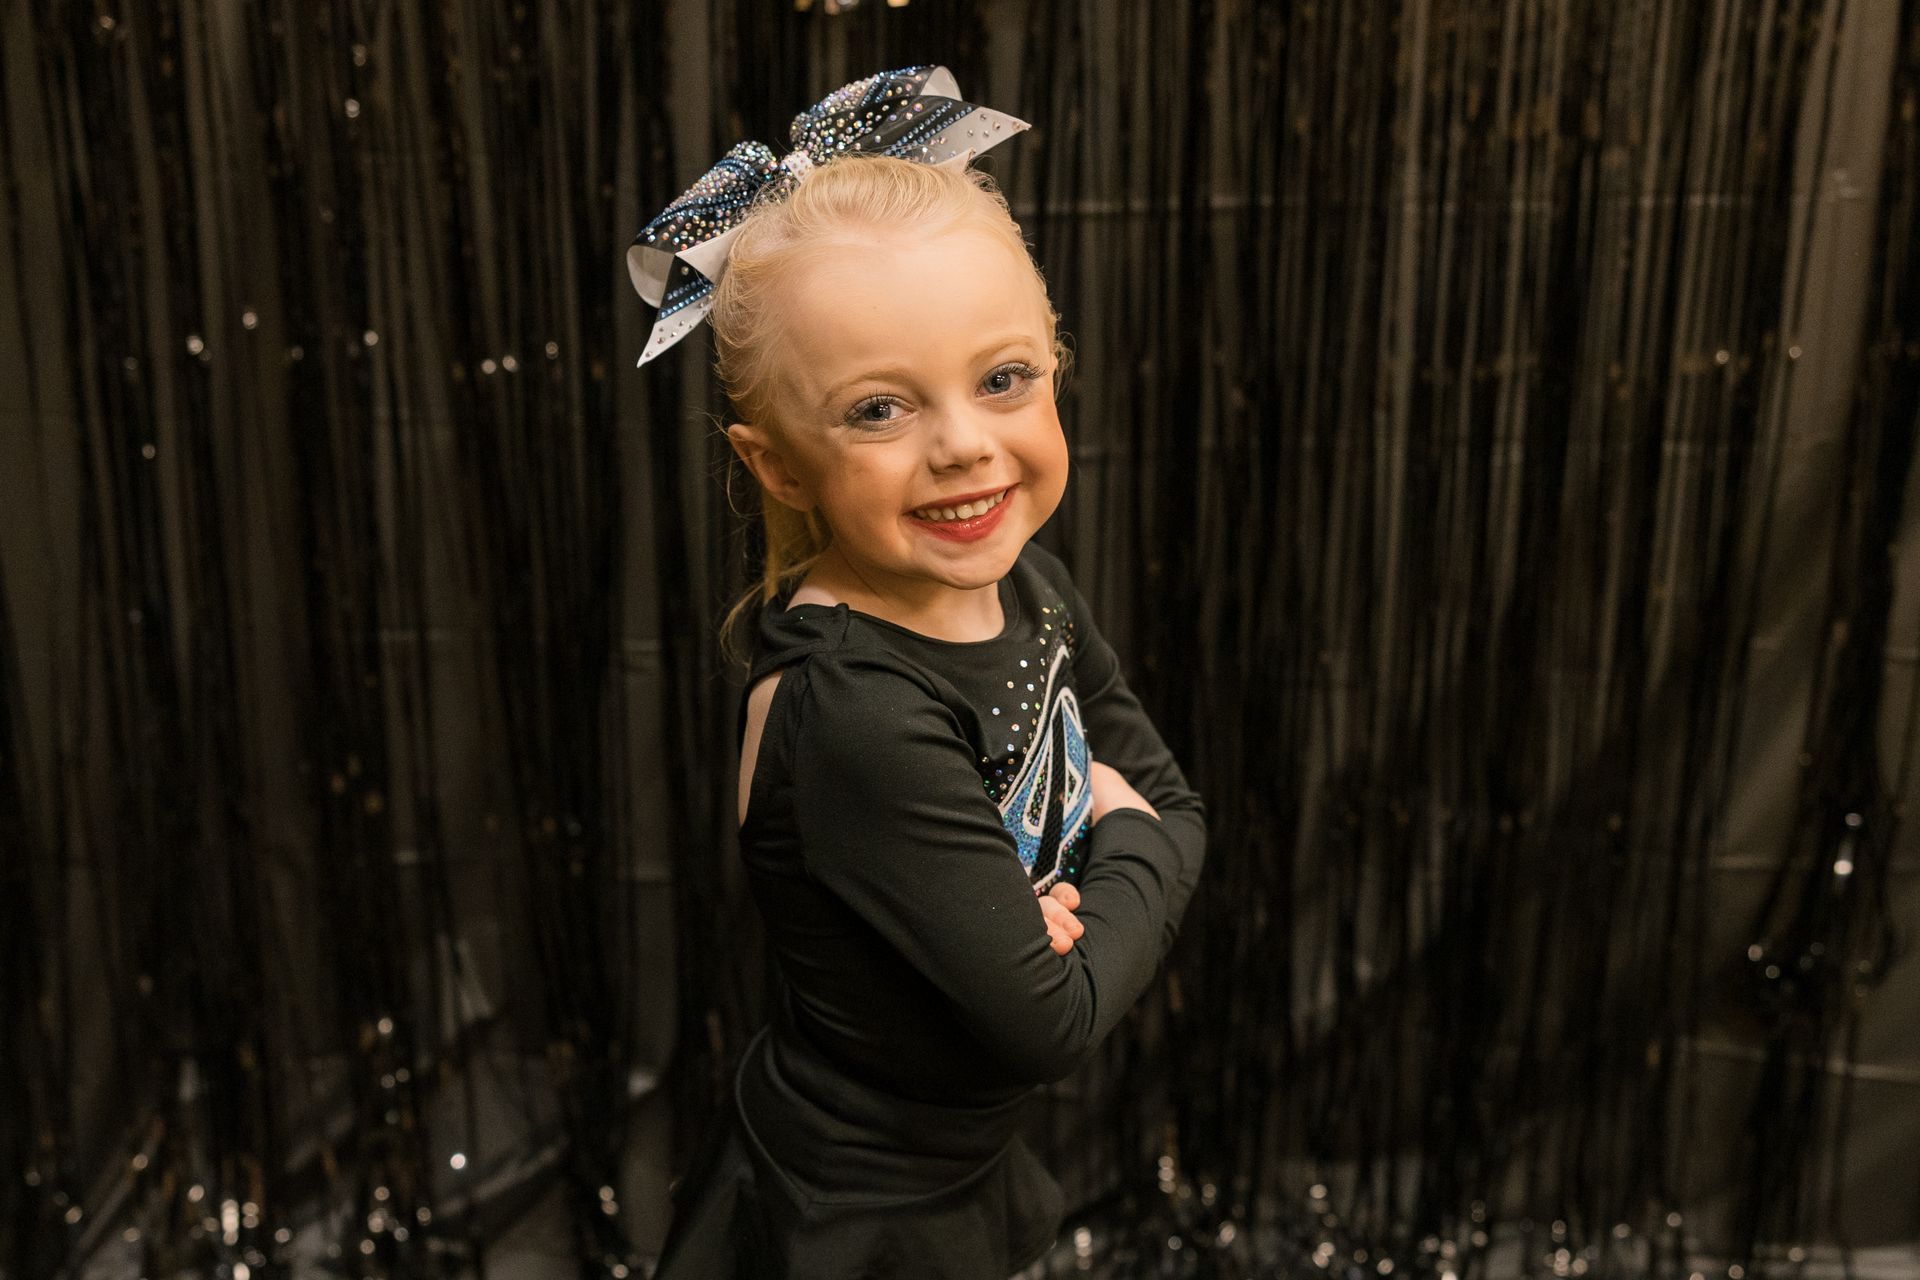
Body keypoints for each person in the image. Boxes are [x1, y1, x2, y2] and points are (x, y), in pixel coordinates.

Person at [633, 66, 1208, 1280]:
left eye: (1004, 378)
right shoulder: (859, 714)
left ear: (1055, 367)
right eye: (880, 407)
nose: (963, 444)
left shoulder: (1026, 587)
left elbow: (1180, 797)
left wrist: (1089, 880)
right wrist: (1124, 833)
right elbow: (1048, 1017)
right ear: (777, 462)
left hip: (960, 1179)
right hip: (846, 1217)